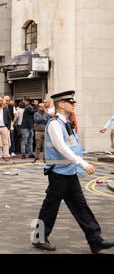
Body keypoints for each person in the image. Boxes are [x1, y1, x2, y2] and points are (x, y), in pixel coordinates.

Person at [33, 90, 114, 253]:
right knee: (50, 206)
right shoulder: (55, 124)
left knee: (80, 206)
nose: (74, 104)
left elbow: (73, 146)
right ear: (61, 104)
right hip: (58, 174)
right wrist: (82, 163)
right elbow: (62, 148)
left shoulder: (66, 122)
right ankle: (39, 238)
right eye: (71, 102)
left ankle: (95, 240)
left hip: (69, 172)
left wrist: (78, 164)